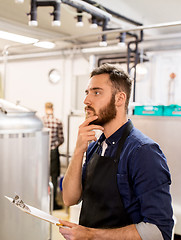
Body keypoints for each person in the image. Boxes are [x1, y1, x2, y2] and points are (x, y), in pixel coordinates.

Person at [59, 64, 173, 240]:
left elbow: (158, 231)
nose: (86, 101)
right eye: (87, 92)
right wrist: (78, 150)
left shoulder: (143, 152)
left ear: (120, 99)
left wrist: (90, 235)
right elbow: (69, 199)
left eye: (96, 92)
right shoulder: (94, 147)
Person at [42, 102, 65, 210]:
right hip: (53, 152)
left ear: (46, 108)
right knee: (54, 177)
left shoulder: (41, 121)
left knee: (43, 176)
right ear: (53, 108)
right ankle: (53, 203)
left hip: (42, 152)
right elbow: (61, 139)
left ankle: (43, 201)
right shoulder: (57, 121)